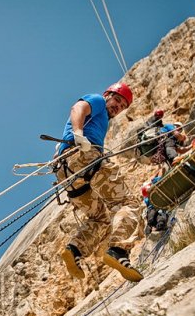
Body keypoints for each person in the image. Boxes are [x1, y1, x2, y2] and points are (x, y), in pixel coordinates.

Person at [54, 82, 142, 281]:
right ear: (107, 94)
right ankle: (118, 250)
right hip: (85, 156)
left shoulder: (102, 119)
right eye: (117, 100)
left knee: (100, 218)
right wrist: (78, 134)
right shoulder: (97, 100)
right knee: (128, 203)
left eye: (122, 107)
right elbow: (78, 108)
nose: (117, 107)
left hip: (67, 173)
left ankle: (74, 250)